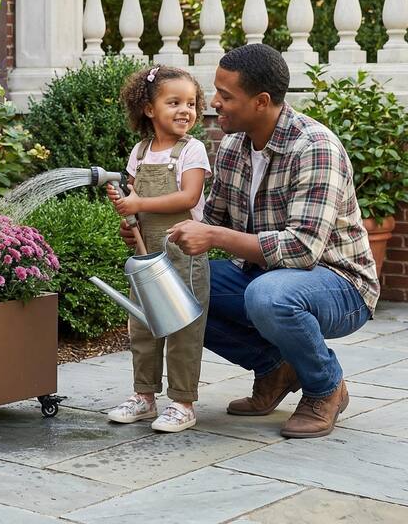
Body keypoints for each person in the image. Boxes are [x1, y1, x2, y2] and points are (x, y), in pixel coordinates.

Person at [161, 44, 379, 439]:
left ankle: (326, 387)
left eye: (226, 96)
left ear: (261, 101)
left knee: (269, 296)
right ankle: (275, 368)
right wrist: (152, 227)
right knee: (174, 290)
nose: (213, 103)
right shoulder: (233, 147)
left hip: (340, 284)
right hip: (264, 275)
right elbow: (210, 221)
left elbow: (301, 249)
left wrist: (214, 236)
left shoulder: (315, 148)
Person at [106, 64, 212, 433]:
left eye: (191, 103)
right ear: (149, 109)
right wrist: (127, 217)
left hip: (184, 255)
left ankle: (183, 402)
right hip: (146, 253)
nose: (186, 110)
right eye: (174, 102)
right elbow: (134, 199)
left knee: (184, 329)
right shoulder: (140, 150)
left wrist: (138, 205)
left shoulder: (192, 150)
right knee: (143, 325)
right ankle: (145, 397)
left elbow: (188, 196)